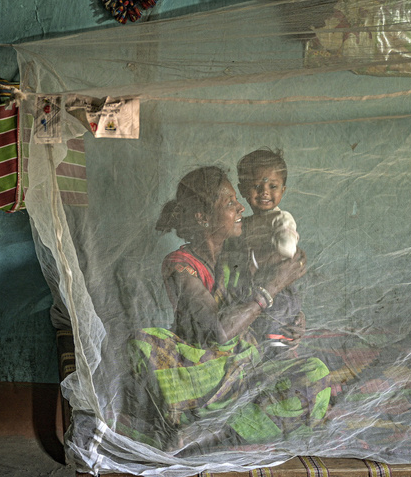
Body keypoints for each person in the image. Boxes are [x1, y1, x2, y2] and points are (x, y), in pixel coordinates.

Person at [129, 166, 330, 447]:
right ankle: (219, 426)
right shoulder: (180, 264)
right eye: (229, 203)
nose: (240, 208)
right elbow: (219, 333)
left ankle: (213, 432)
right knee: (143, 344)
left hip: (242, 368)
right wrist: (272, 286)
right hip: (199, 373)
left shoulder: (241, 255)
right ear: (202, 217)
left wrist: (293, 319)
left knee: (315, 374)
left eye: (237, 201)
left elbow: (268, 307)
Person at [236, 149, 304, 352]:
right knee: (254, 328)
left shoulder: (281, 219)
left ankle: (279, 352)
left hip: (277, 284)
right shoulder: (242, 224)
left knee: (278, 330)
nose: (264, 192)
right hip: (253, 288)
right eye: (257, 186)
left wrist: (257, 261)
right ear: (242, 189)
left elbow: (287, 249)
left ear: (283, 190)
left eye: (272, 186)